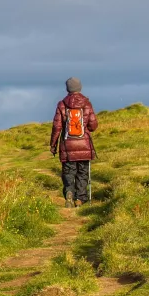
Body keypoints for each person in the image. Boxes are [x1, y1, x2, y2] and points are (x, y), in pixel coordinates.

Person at [50, 77, 98, 208]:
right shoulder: (86, 103)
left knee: (68, 172)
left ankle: (69, 193)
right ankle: (80, 199)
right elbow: (93, 126)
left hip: (67, 146)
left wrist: (53, 145)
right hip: (84, 146)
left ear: (67, 88)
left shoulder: (62, 104)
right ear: (80, 87)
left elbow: (57, 127)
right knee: (83, 173)